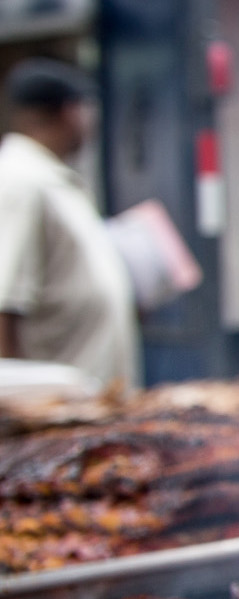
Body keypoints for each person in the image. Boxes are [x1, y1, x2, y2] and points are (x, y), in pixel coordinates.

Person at [0, 59, 139, 396]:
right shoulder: (19, 182)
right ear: (69, 112)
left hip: (93, 400)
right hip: (56, 416)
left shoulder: (52, 179)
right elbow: (4, 304)